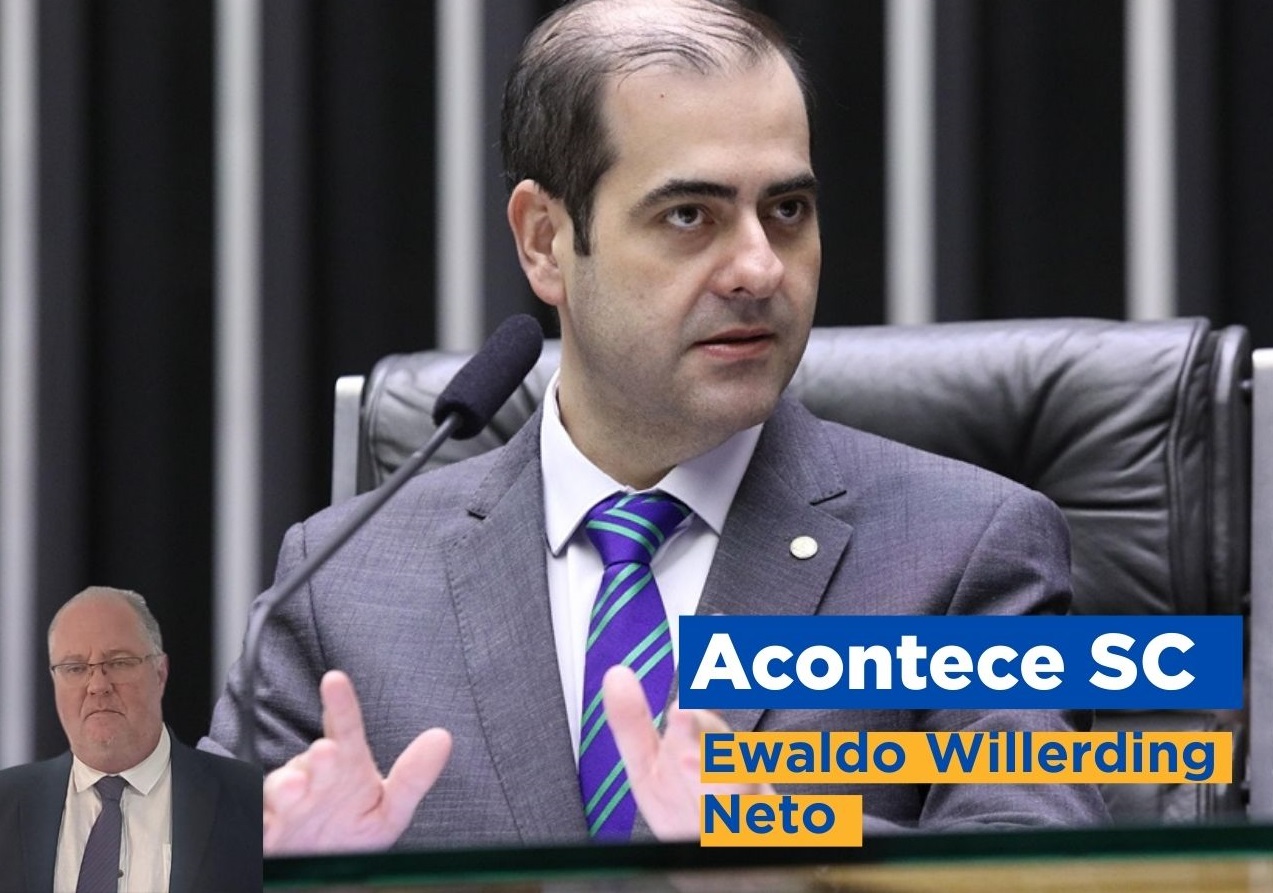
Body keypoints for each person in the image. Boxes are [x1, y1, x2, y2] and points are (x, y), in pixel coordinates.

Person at [203, 0, 1107, 853]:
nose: (758, 267)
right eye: (689, 215)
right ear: (544, 240)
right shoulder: (339, 587)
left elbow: (1034, 865)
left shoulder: (963, 552)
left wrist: (789, 844)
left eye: (786, 210)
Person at [0, 587, 262, 893]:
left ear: (160, 673)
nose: (97, 685)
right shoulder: (7, 803)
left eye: (119, 663)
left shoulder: (252, 800)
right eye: (75, 668)